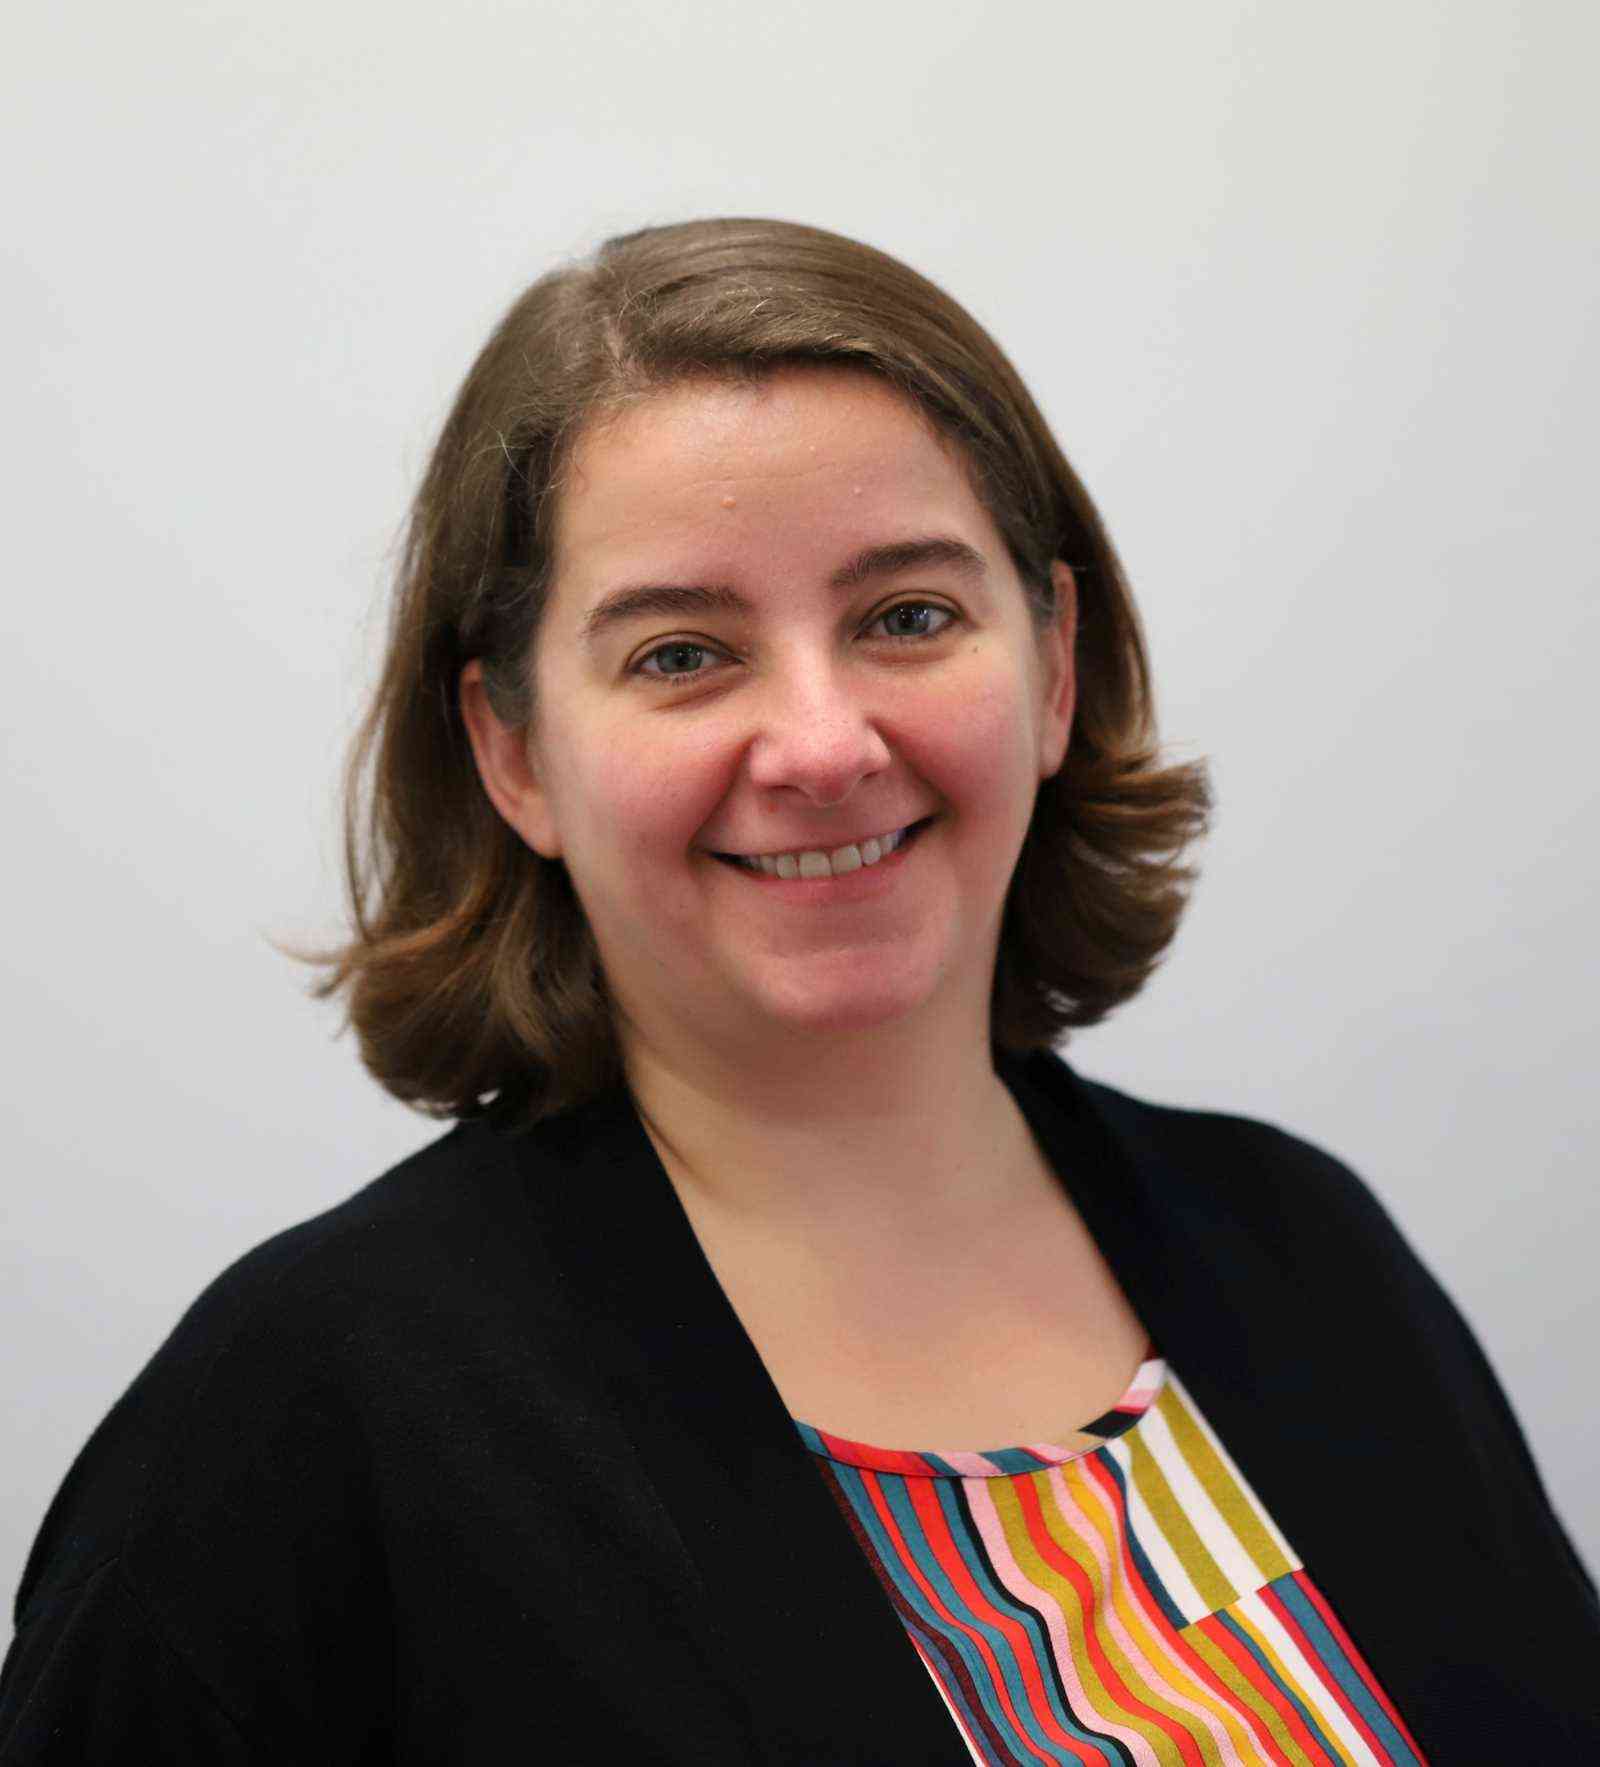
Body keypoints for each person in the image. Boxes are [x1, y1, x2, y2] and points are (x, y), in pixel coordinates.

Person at [1, 218, 1595, 1765]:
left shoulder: (1305, 1249)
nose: (825, 746)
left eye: (909, 617)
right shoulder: (295, 1423)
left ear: (1051, 666)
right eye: (681, 654)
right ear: (512, 752)